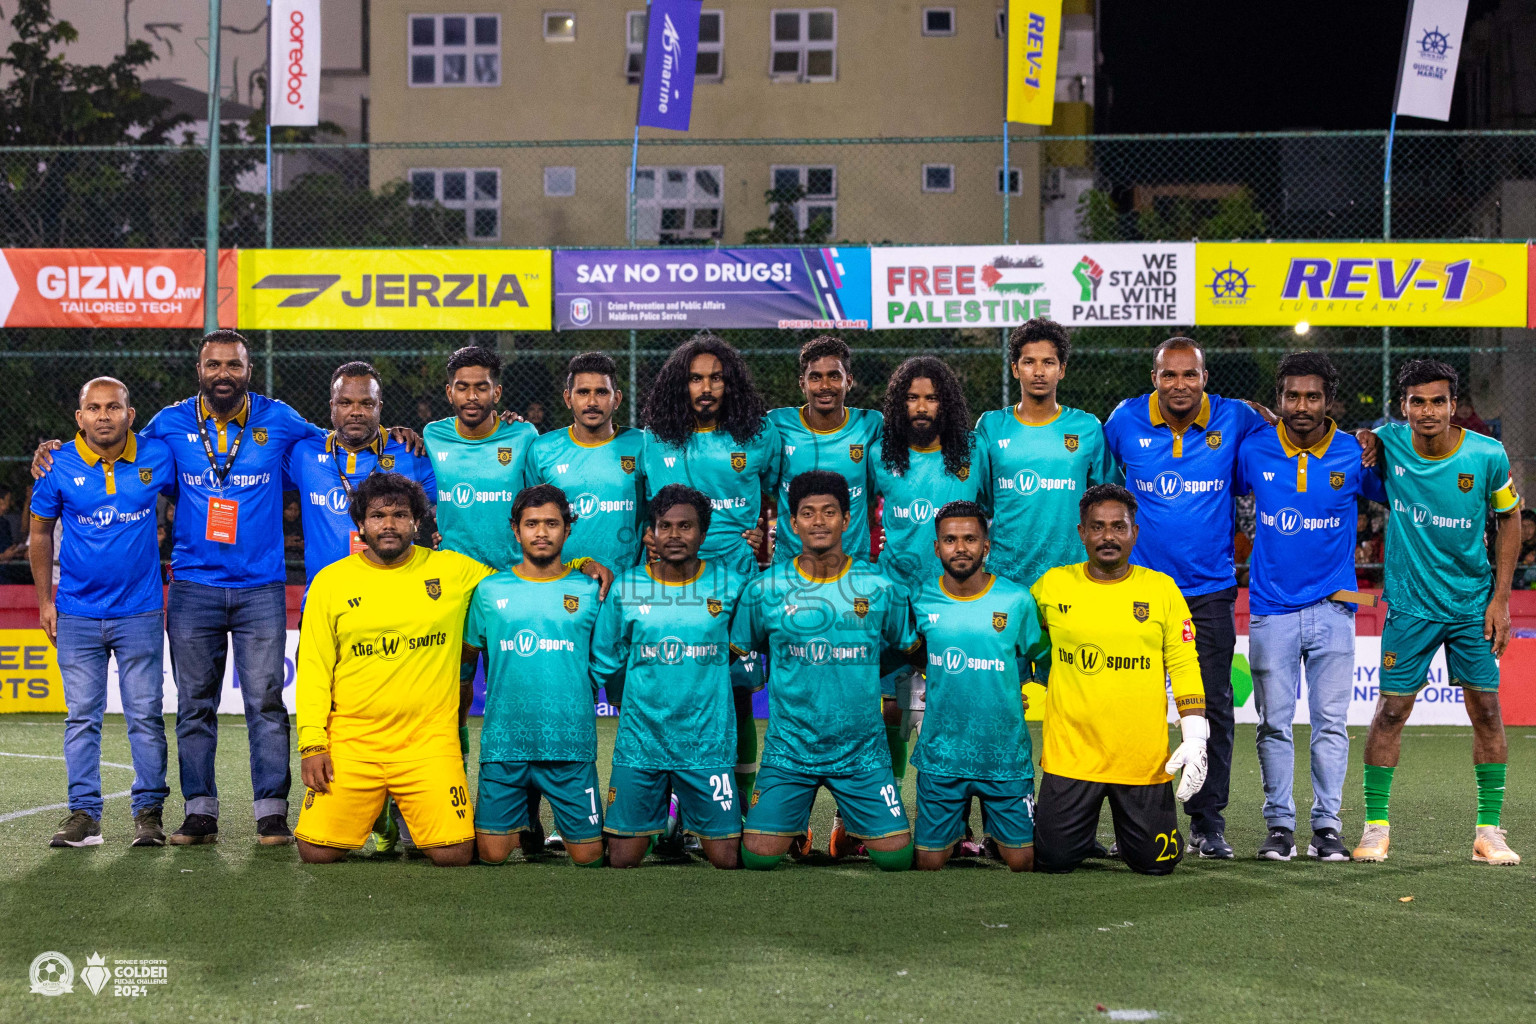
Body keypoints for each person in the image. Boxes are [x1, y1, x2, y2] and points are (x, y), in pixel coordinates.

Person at [32, 330, 340, 846]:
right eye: (214, 364)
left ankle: (271, 813)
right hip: (193, 585)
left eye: (234, 366)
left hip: (261, 586)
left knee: (266, 701)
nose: (224, 373)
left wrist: (393, 437)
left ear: (248, 371)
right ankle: (199, 812)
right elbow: (113, 449)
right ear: (199, 370)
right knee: (194, 702)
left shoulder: (280, 418)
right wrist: (56, 449)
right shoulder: (169, 426)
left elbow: (335, 440)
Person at [1101, 336, 1267, 860]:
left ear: (1205, 379)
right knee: (1133, 706)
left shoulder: (1235, 418)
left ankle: (1207, 822)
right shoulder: (1124, 421)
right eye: (1168, 375)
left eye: (1189, 375)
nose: (1179, 385)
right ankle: (1133, 814)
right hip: (1138, 592)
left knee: (1213, 705)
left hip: (1209, 592)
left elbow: (1284, 431)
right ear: (1154, 377)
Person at [1352, 359, 1522, 865]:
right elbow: (1359, 441)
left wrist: (1501, 599)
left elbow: (1510, 519)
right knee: (1390, 712)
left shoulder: (1487, 454)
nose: (1428, 412)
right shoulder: (1389, 443)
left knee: (1487, 713)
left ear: (1454, 406)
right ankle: (1375, 827)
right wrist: (1368, 437)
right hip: (1410, 605)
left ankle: (1488, 831)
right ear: (1403, 407)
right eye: (1417, 402)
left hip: (1472, 605)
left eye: (1438, 401)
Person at [293, 474, 490, 866]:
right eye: (377, 515)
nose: (388, 524)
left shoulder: (454, 570)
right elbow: (314, 669)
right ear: (360, 524)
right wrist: (312, 743)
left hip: (428, 741)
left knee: (454, 855)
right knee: (315, 853)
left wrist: (574, 565)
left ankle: (390, 803)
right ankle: (378, 813)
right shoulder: (329, 582)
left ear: (418, 521)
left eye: (400, 514)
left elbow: (516, 586)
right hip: (354, 739)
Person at [1236, 352, 1386, 862]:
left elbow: (1395, 488)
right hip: (1271, 610)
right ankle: (1279, 827)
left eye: (1313, 396)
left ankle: (1327, 827)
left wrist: (1378, 439)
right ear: (1279, 399)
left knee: (1331, 725)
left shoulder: (1352, 452)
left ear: (1329, 401)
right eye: (1292, 395)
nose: (1302, 405)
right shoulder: (1253, 448)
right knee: (1273, 724)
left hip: (1334, 611)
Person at [730, 470, 919, 871]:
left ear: (847, 520)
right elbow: (744, 648)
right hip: (789, 751)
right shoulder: (764, 590)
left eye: (830, 512)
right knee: (756, 859)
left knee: (898, 859)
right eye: (808, 513)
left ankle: (851, 825)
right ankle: (794, 827)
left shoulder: (881, 588)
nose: (819, 521)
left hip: (862, 753)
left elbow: (910, 652)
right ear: (792, 522)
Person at [29, 377, 178, 848]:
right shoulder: (56, 462)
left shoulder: (158, 455)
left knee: (145, 716)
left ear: (130, 415)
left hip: (140, 612)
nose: (104, 416)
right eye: (93, 408)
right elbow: (38, 534)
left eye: (113, 407)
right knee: (81, 718)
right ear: (80, 418)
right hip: (76, 613)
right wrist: (45, 602)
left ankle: (148, 814)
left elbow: (196, 494)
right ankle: (84, 816)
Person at [1029, 484, 1208, 875]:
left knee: (1158, 864)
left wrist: (1195, 735)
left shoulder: (1161, 589)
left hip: (1140, 758)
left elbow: (1183, 663)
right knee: (1051, 861)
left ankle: (1127, 837)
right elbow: (1025, 645)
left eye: (1118, 527)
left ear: (1135, 533)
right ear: (1081, 532)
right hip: (1072, 757)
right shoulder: (1052, 586)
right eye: (1097, 527)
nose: (1107, 536)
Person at [640, 333, 779, 818]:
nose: (705, 387)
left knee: (738, 695)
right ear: (681, 385)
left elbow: (779, 501)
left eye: (715, 378)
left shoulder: (758, 435)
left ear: (730, 383)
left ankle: (737, 807)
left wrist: (769, 538)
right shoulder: (652, 439)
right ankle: (662, 810)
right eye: (695, 378)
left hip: (735, 585)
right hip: (668, 586)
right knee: (670, 690)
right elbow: (641, 509)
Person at [592, 484, 753, 869]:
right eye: (665, 526)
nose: (676, 535)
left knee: (727, 860)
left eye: (686, 526)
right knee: (621, 860)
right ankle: (662, 824)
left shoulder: (731, 586)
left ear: (703, 532)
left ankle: (677, 815)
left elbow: (747, 643)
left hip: (706, 744)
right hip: (641, 744)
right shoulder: (627, 588)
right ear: (651, 533)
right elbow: (604, 659)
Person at [868, 355, 984, 855]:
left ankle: (959, 828)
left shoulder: (973, 454)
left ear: (946, 403)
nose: (921, 407)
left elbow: (992, 519)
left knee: (956, 713)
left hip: (955, 602)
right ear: (898, 403)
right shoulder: (880, 455)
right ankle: (883, 819)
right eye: (912, 397)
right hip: (895, 603)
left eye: (931, 397)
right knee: (891, 712)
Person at [464, 484, 605, 867]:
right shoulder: (490, 590)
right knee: (491, 856)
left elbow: (604, 657)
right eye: (531, 524)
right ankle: (526, 823)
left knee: (590, 858)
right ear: (515, 529)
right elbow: (469, 655)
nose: (541, 532)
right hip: (505, 744)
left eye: (551, 524)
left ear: (568, 529)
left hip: (568, 743)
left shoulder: (591, 590)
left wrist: (582, 688)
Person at [909, 501, 1042, 872]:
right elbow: (910, 653)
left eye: (970, 538)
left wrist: (1010, 687)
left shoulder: (1016, 600)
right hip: (942, 754)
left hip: (1004, 756)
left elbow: (1040, 654)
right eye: (950, 540)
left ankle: (996, 838)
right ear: (936, 547)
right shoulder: (920, 599)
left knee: (1024, 862)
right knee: (928, 864)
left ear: (986, 546)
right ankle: (958, 837)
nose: (960, 547)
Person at [975, 319, 1115, 588]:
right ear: (1015, 369)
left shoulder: (1087, 427)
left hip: (1072, 574)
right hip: (1006, 576)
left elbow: (1107, 498)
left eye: (1048, 362)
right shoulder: (991, 426)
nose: (1038, 371)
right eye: (1029, 362)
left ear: (1062, 370)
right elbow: (979, 498)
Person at [286, 362, 437, 588]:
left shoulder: (410, 454)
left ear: (380, 407)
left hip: (391, 595)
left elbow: (454, 502)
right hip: (324, 597)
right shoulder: (304, 454)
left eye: (366, 403)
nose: (356, 412)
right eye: (345, 403)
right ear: (332, 406)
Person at [522, 352, 646, 572]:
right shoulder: (542, 450)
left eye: (601, 392)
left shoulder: (642, 445)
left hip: (629, 579)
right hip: (564, 582)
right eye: (583, 392)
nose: (591, 402)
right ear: (568, 399)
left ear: (616, 399)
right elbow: (531, 519)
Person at [768, 336, 882, 564]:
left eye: (834, 376)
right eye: (815, 377)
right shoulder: (777, 424)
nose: (825, 386)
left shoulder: (871, 425)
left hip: (852, 565)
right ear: (803, 383)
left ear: (848, 381)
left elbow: (874, 492)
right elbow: (761, 484)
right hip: (790, 565)